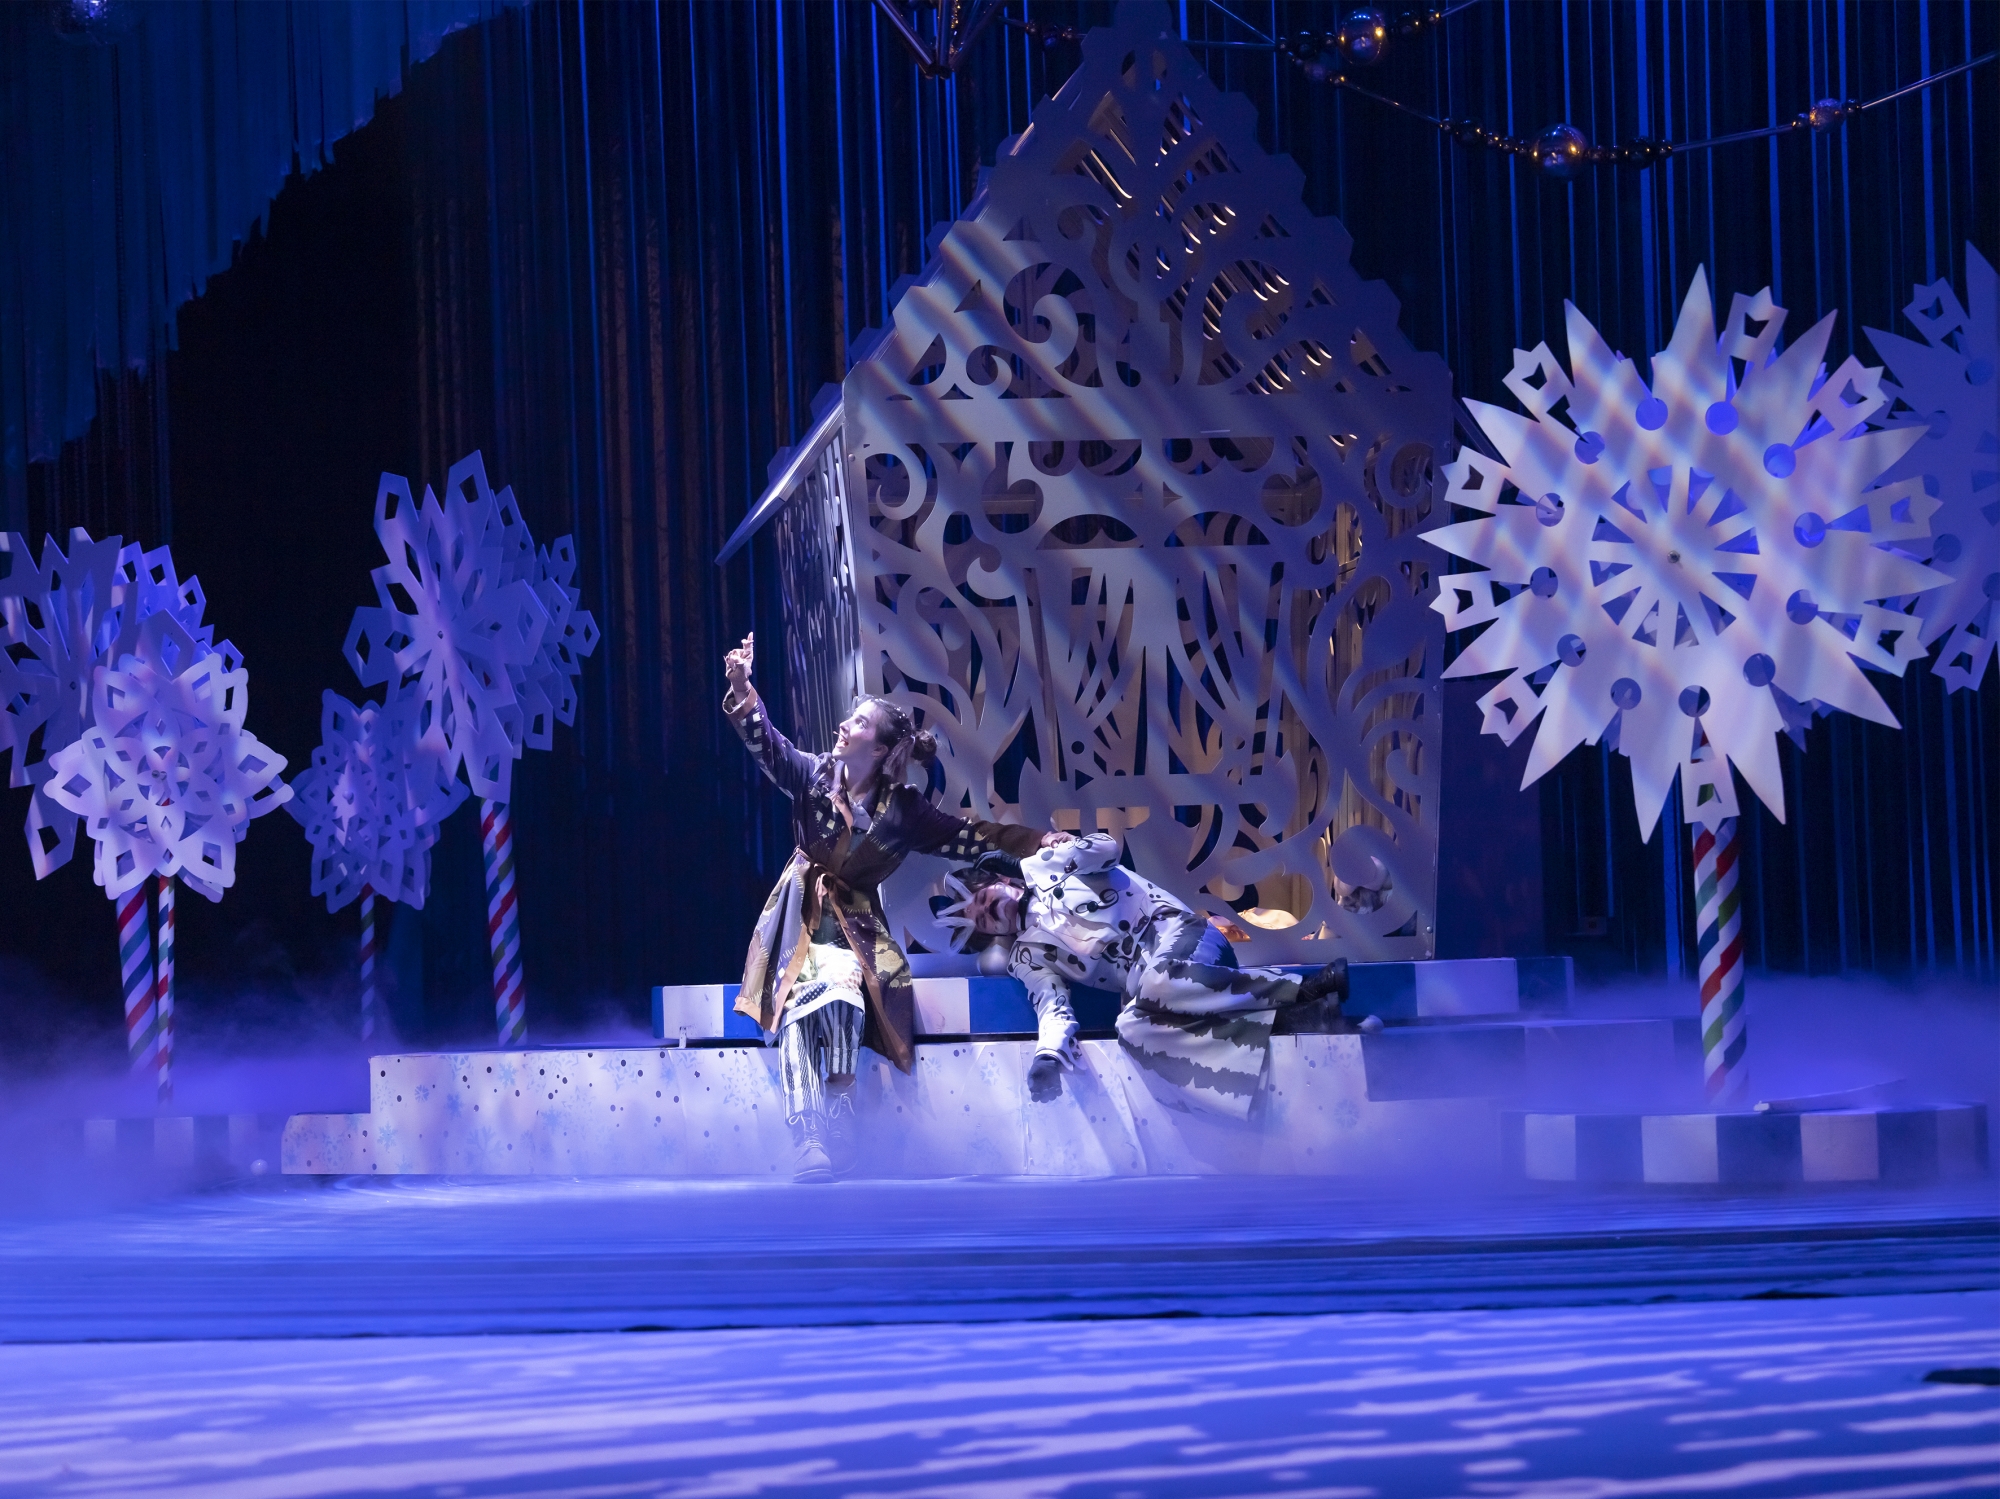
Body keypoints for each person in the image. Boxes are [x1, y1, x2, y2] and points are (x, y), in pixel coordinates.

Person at [722, 632, 1049, 1181]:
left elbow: (972, 837)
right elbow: (768, 746)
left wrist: (1040, 843)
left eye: (858, 723)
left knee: (845, 997)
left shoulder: (904, 811)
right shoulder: (814, 776)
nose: (843, 726)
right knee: (797, 1012)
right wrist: (741, 687)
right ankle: (808, 1135)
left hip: (855, 932)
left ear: (877, 750)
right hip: (797, 922)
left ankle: (839, 1114)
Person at [939, 835, 1348, 1119]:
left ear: (1000, 882)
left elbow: (1107, 847)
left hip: (1185, 940)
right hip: (1160, 992)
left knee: (1158, 982)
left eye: (983, 899)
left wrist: (1027, 865)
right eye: (982, 921)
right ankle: (1295, 1024)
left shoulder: (1054, 868)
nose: (989, 912)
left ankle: (1304, 990)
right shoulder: (1025, 958)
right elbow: (1052, 1007)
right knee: (1131, 1030)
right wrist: (1048, 1058)